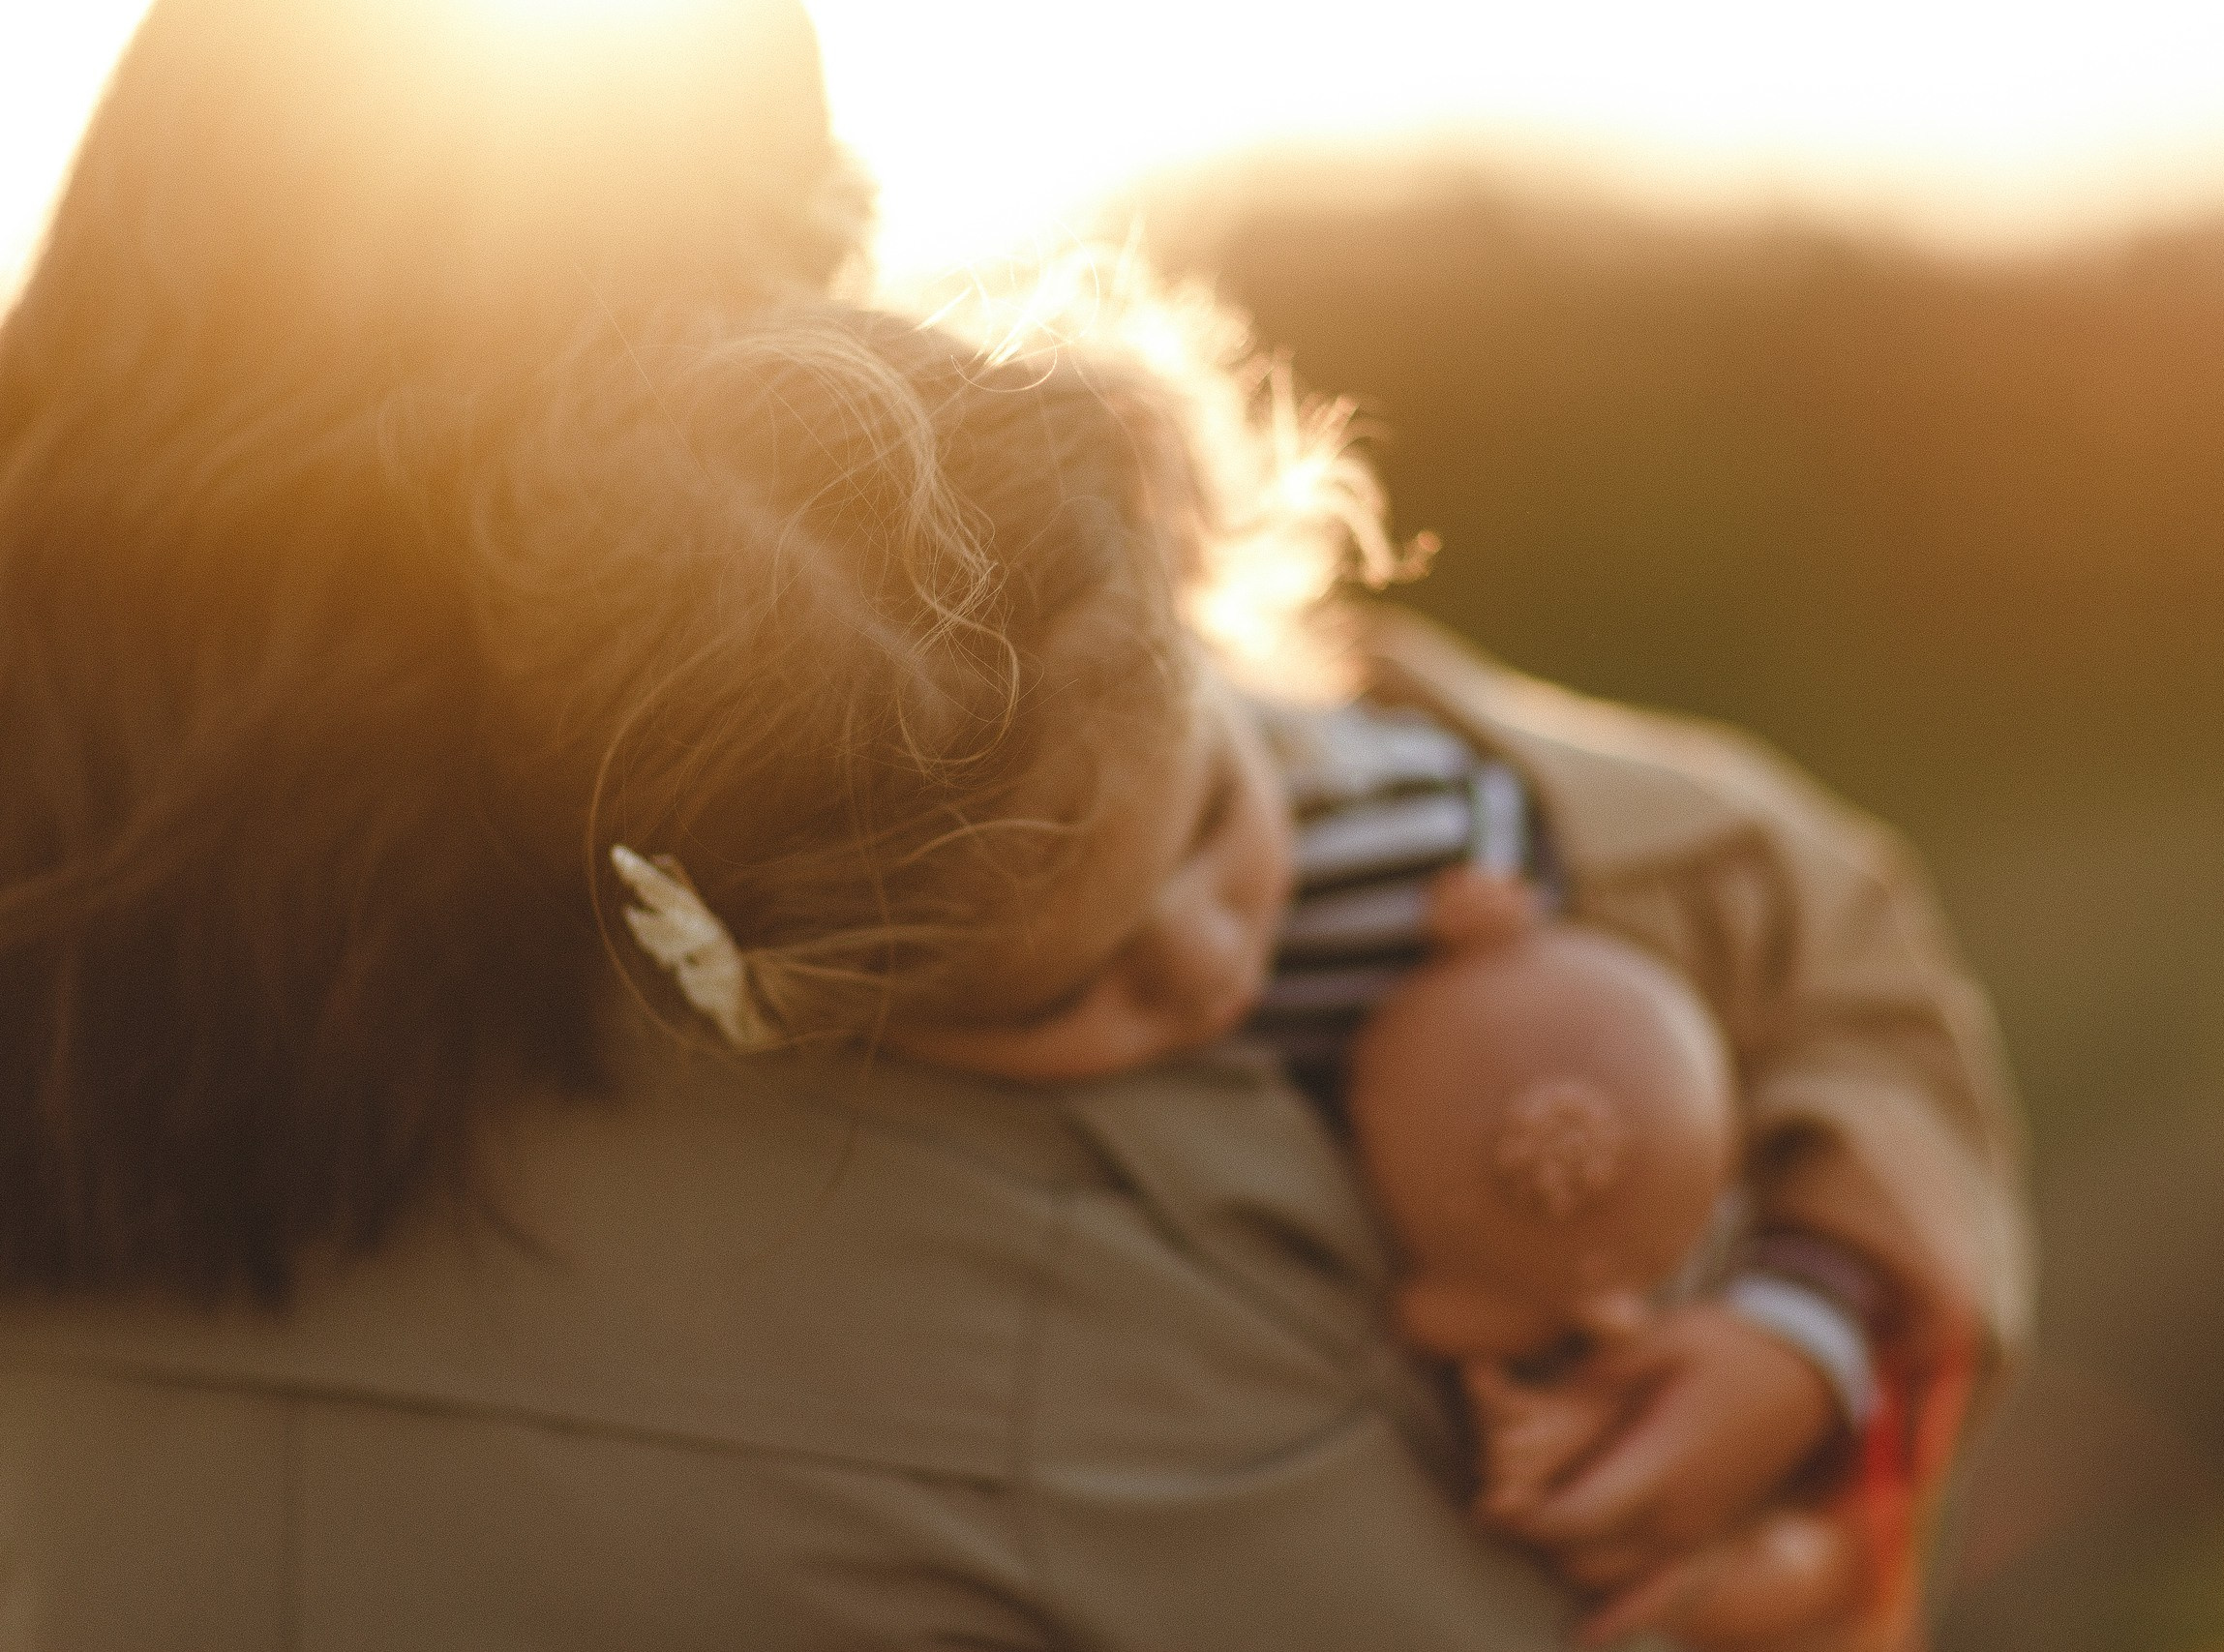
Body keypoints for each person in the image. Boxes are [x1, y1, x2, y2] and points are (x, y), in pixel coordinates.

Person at [0, 2, 2029, 1648]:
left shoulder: (922, 719)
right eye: (806, 255)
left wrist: (1807, 1313)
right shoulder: (882, 916)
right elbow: (1804, 909)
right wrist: (1823, 1333)